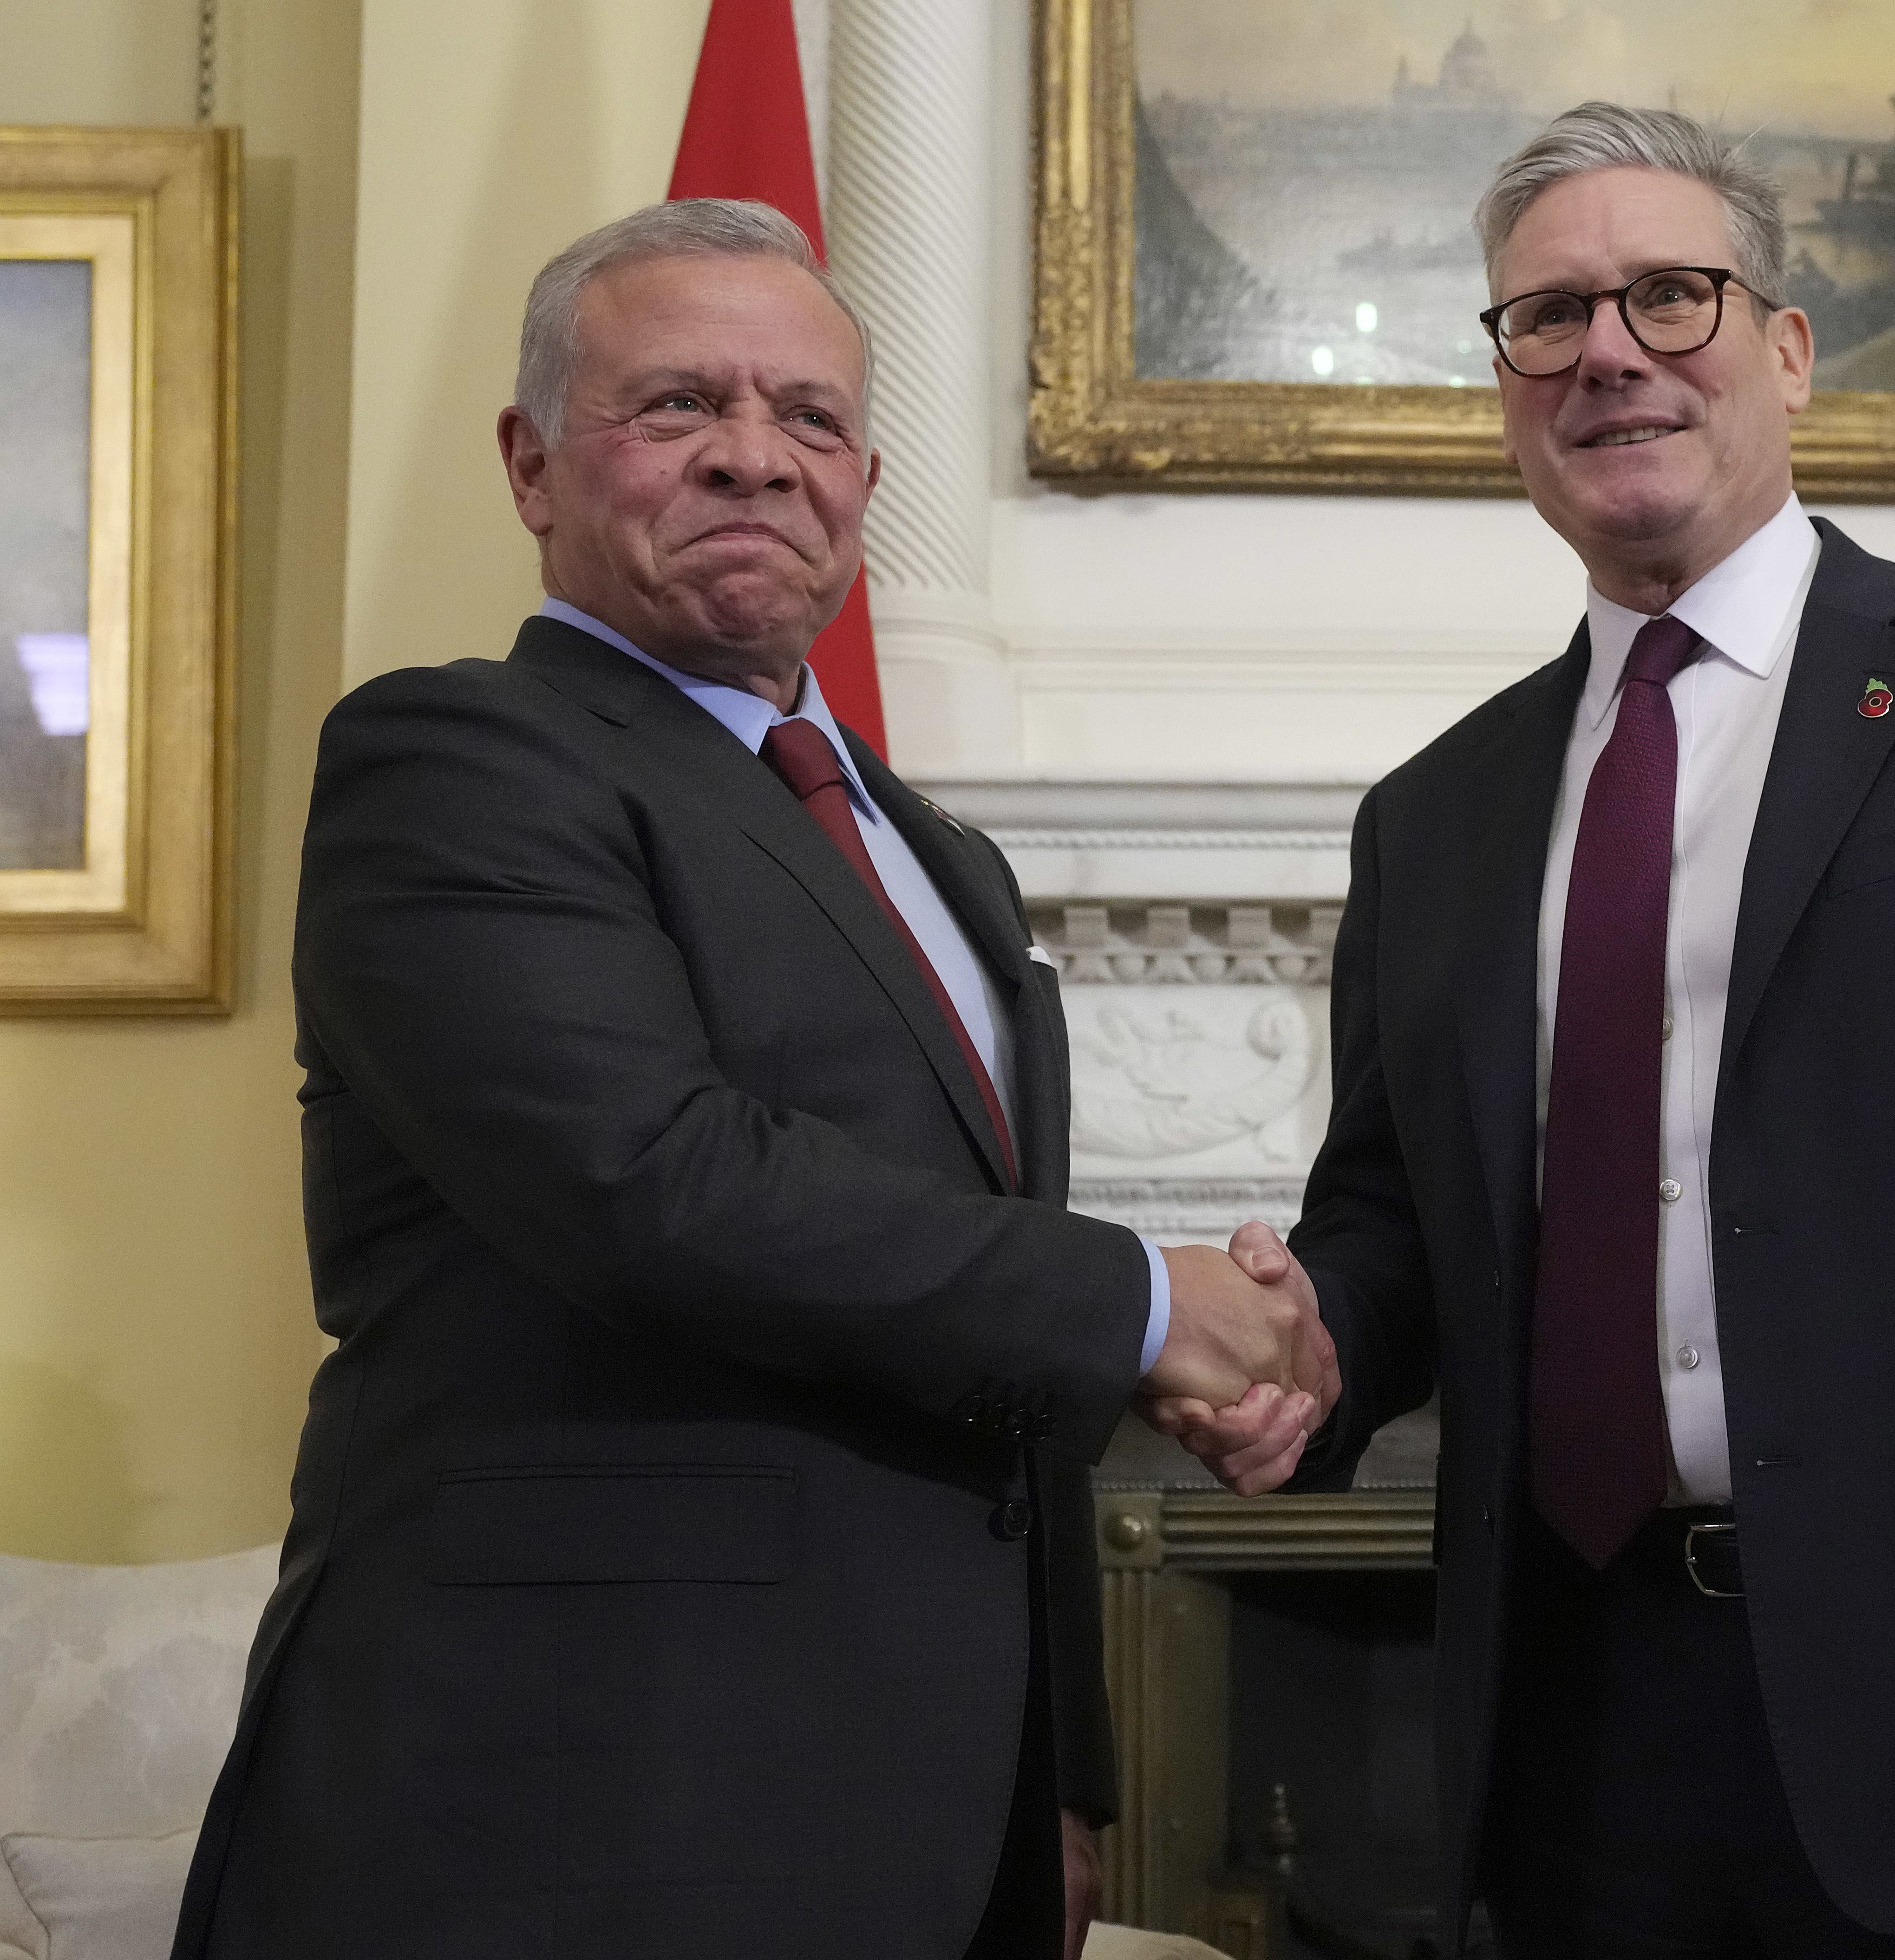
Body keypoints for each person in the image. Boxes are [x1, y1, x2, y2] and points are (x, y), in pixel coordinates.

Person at [1157, 106, 1895, 1958]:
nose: (1607, 349)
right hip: (1578, 1737)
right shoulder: (1435, 813)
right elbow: (1397, 1226)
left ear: (1783, 349)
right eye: (1546, 317)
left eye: (1669, 296)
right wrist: (1290, 1343)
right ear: (1505, 391)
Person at [171, 199, 1328, 1960]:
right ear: (532, 460)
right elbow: (656, 1181)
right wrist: (1137, 1301)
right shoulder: (458, 757)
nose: (754, 460)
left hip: (930, 1813)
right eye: (676, 407)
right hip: (568, 1793)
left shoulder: (940, 857)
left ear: (864, 477)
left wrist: (1062, 1777)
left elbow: (989, 1351)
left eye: (808, 418)